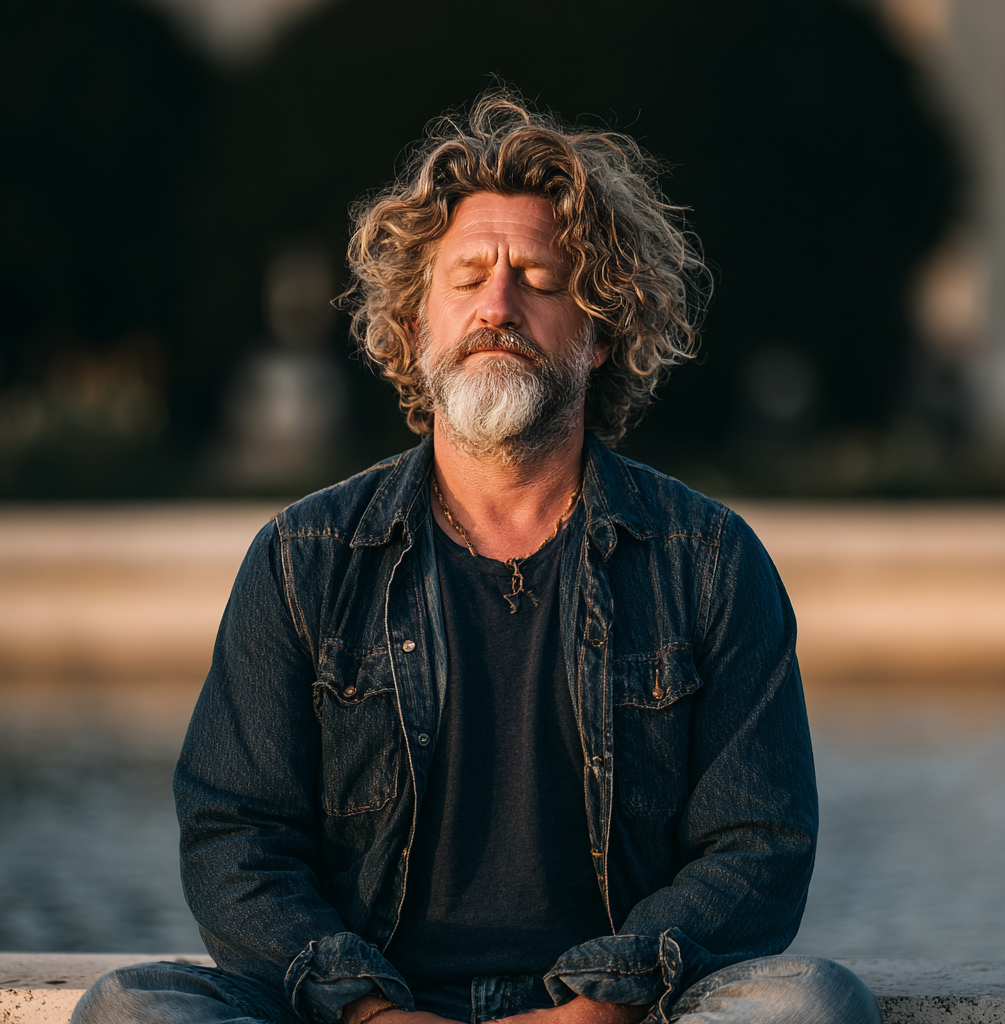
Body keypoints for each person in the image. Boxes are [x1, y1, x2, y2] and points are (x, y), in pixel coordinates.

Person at [73, 92, 881, 1024]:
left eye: (538, 278)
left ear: (601, 328)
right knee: (131, 1007)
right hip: (364, 1010)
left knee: (814, 1004)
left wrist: (599, 1008)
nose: (498, 306)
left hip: (623, 1014)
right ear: (417, 326)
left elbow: (760, 844)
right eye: (466, 278)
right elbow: (234, 836)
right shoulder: (304, 559)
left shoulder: (708, 560)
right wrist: (369, 1012)